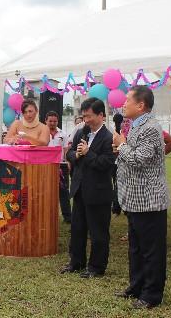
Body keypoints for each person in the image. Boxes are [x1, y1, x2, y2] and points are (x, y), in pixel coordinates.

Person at [113, 85, 170, 309]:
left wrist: (122, 145)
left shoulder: (151, 128)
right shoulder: (135, 125)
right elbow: (130, 157)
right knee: (136, 248)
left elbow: (140, 159)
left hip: (150, 201)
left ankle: (151, 295)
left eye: (127, 100)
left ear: (141, 105)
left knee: (151, 251)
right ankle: (136, 286)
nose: (123, 104)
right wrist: (122, 148)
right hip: (135, 200)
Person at [62, 98, 116, 279]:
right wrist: (76, 155)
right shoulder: (82, 132)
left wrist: (88, 153)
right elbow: (69, 153)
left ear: (101, 115)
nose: (86, 120)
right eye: (84, 116)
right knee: (77, 228)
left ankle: (96, 266)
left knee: (98, 231)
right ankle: (76, 262)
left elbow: (107, 163)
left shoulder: (109, 138)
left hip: (98, 192)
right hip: (80, 189)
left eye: (89, 116)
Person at [45, 111, 71, 224]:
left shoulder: (63, 134)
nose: (52, 123)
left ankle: (68, 217)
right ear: (46, 121)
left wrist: (68, 161)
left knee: (63, 192)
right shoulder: (42, 133)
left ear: (57, 121)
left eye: (54, 121)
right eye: (50, 121)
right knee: (46, 192)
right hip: (45, 165)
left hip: (61, 166)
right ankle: (47, 215)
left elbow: (66, 149)